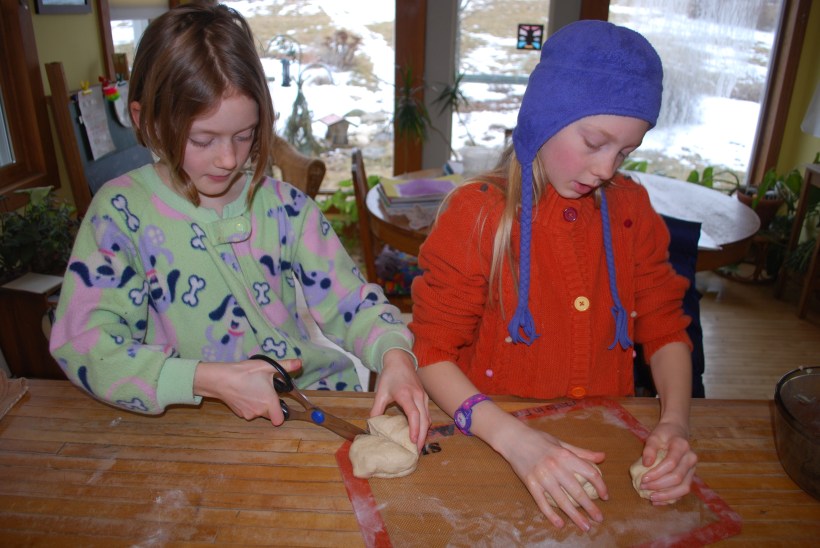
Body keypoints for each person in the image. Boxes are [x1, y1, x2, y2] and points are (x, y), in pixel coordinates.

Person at [49, 3, 429, 450]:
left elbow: (350, 301)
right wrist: (204, 379)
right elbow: (86, 347)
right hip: (187, 429)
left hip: (309, 409)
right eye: (203, 139)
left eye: (245, 135)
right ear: (145, 121)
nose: (229, 159)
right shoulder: (119, 215)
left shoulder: (287, 208)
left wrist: (394, 352)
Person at [410, 20, 698, 530]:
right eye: (594, 142)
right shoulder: (477, 215)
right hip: (492, 441)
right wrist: (515, 440)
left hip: (604, 444)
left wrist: (674, 422)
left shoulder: (631, 209)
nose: (608, 168)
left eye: (625, 151)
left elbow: (665, 325)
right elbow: (432, 355)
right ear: (545, 117)